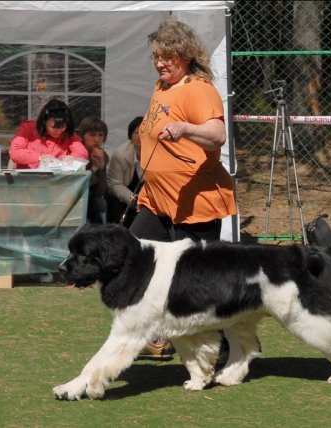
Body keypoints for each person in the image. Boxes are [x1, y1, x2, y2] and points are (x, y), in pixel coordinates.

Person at [131, 18, 237, 359]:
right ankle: (156, 338)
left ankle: (228, 343)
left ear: (187, 55)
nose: (161, 63)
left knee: (195, 282)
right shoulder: (161, 88)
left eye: (168, 56)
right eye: (157, 56)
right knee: (133, 259)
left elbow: (218, 135)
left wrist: (185, 128)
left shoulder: (198, 89)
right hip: (158, 202)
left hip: (195, 203)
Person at [9, 98, 87, 169]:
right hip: (28, 179)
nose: (58, 131)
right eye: (53, 127)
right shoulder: (28, 128)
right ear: (44, 121)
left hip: (56, 181)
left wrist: (73, 158)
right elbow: (14, 152)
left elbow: (82, 152)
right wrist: (39, 157)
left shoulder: (68, 133)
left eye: (62, 127)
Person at [106, 116, 144, 227]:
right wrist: (134, 200)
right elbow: (114, 184)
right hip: (126, 198)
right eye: (136, 132)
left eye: (143, 131)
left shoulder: (159, 154)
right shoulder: (120, 155)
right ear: (130, 136)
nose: (140, 136)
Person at [78, 116, 110, 224]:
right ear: (83, 135)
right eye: (92, 135)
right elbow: (79, 186)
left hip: (92, 198)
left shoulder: (102, 154)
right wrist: (93, 169)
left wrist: (99, 167)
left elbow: (100, 191)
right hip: (76, 195)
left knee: (101, 202)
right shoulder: (76, 153)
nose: (97, 139)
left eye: (100, 135)